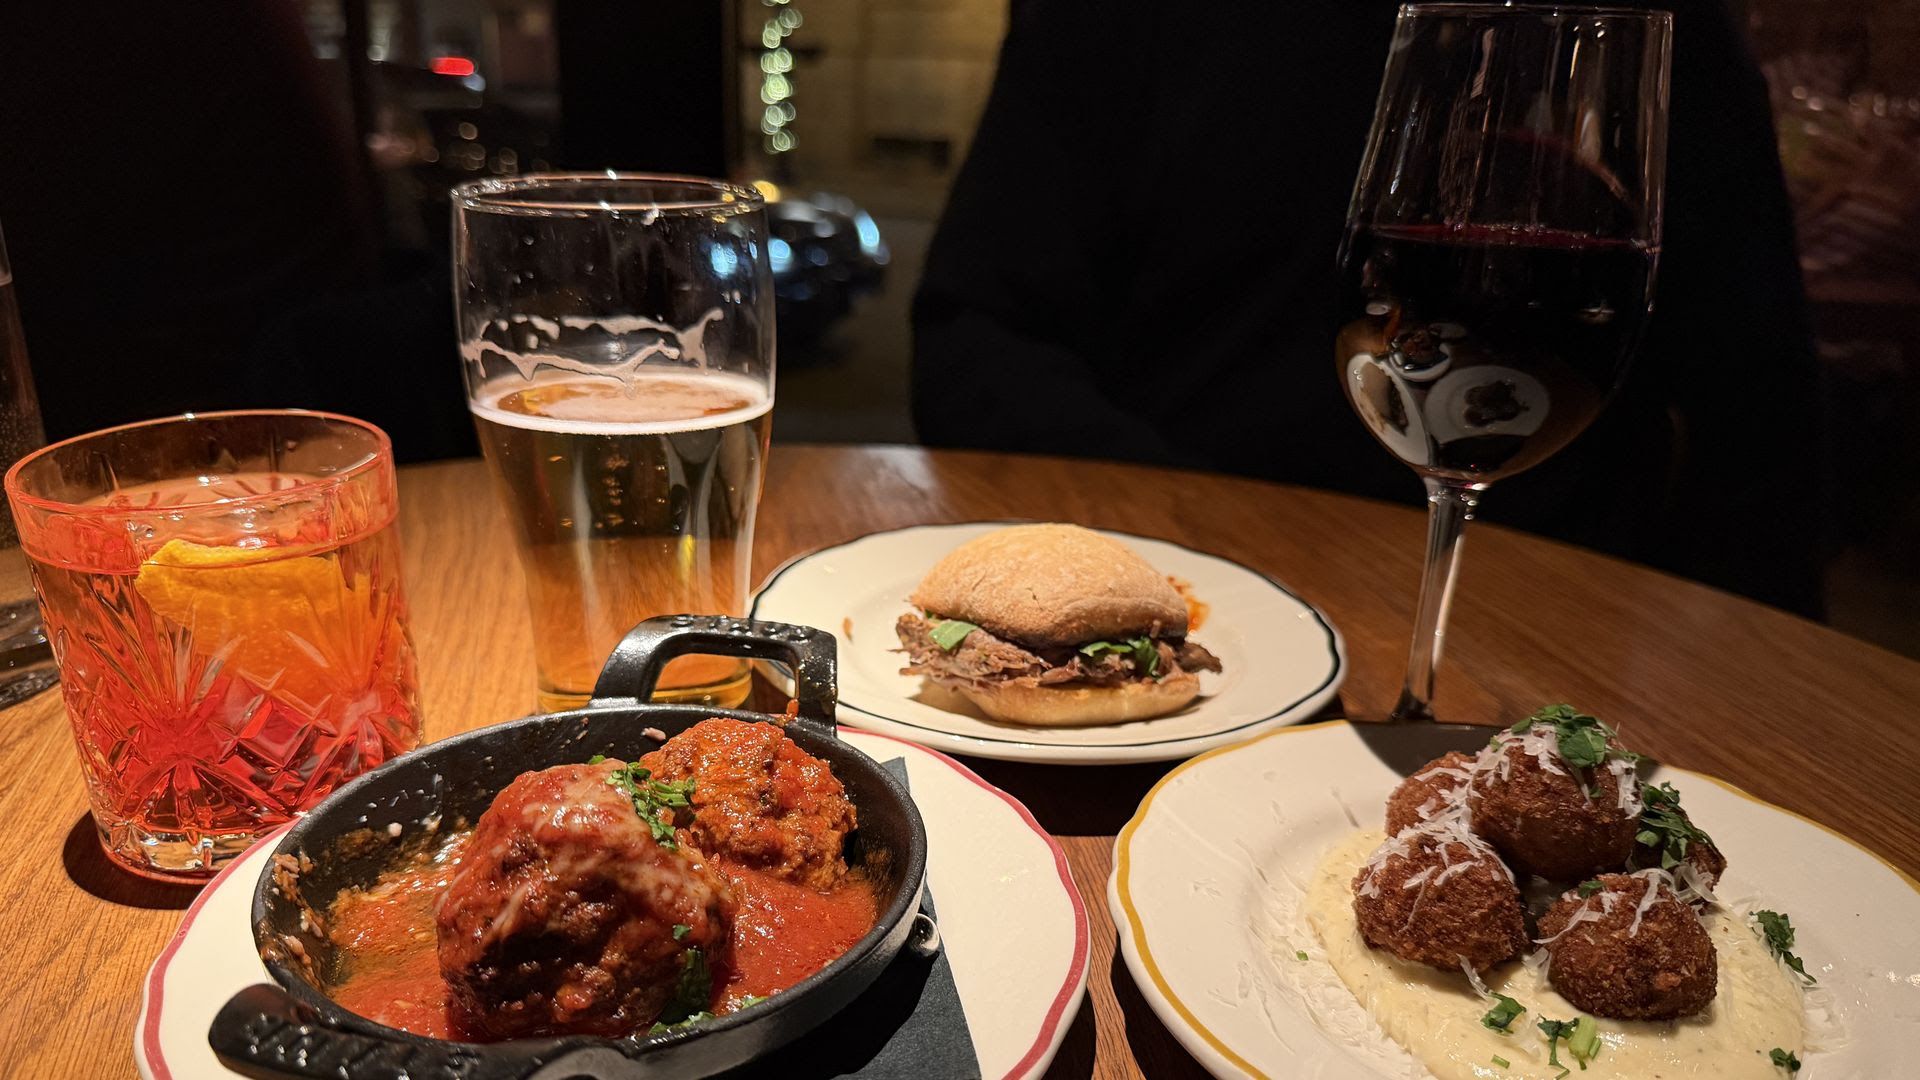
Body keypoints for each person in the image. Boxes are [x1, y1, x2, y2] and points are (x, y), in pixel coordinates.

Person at [912, 0, 1824, 617]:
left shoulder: (1661, 30)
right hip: (1193, 582)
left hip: (1537, 612)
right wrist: (1219, 544)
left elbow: (1761, 414)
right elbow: (973, 336)